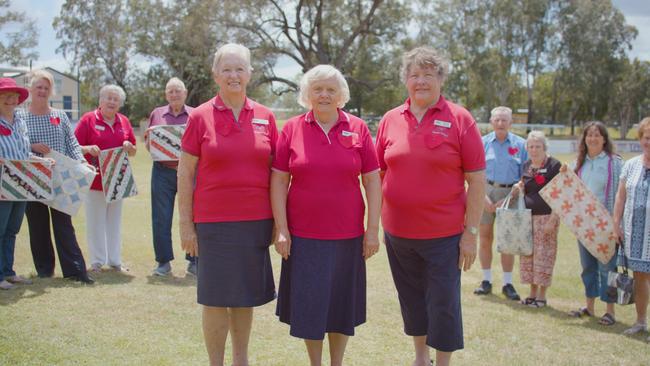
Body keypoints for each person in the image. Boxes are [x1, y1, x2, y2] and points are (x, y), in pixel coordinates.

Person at [375, 47, 485, 366]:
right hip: (397, 235)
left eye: (428, 74)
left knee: (443, 303)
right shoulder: (390, 119)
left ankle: (444, 361)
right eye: (414, 75)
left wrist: (471, 233)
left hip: (444, 236)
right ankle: (420, 357)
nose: (420, 81)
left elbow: (477, 181)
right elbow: (377, 174)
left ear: (441, 79)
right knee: (411, 300)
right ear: (406, 81)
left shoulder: (461, 119)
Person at [271, 64, 382, 366]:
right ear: (307, 94)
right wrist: (282, 229)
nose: (324, 95)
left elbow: (372, 181)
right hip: (304, 236)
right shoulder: (292, 128)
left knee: (340, 307)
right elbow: (279, 181)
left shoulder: (358, 128)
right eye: (317, 89)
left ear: (341, 95)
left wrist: (372, 230)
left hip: (348, 236)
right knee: (311, 307)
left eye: (331, 89)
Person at [178, 43, 277, 366]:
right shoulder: (200, 116)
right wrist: (186, 224)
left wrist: (279, 223)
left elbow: (278, 174)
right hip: (213, 224)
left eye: (239, 69)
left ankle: (241, 360)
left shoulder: (266, 116)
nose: (233, 75)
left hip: (256, 222)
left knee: (244, 297)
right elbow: (186, 170)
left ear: (249, 74)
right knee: (216, 298)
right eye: (227, 69)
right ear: (215, 75)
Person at [17, 69, 94, 284]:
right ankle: (44, 270)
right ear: (30, 89)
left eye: (46, 87)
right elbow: (16, 145)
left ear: (51, 91)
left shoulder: (59, 116)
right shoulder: (20, 116)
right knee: (38, 225)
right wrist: (32, 148)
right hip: (33, 176)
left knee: (64, 224)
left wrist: (81, 161)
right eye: (38, 87)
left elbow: (72, 143)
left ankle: (75, 271)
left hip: (62, 178)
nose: (42, 91)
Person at [74, 84, 137, 273]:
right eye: (108, 98)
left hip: (117, 181)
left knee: (114, 222)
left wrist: (129, 146)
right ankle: (97, 261)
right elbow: (74, 146)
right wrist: (87, 149)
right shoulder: (88, 120)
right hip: (94, 181)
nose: (111, 101)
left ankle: (115, 261)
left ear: (120, 104)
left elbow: (133, 150)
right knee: (95, 222)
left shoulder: (124, 121)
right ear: (100, 100)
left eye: (115, 99)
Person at [566, 121, 621, 325]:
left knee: (607, 267)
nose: (593, 138)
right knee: (587, 267)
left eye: (597, 135)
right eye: (589, 135)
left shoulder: (614, 163)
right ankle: (589, 306)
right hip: (584, 225)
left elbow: (619, 195)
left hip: (605, 224)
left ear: (604, 139)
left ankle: (610, 310)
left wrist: (617, 223)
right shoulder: (578, 164)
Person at [0, 78, 51, 290]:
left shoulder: (20, 121)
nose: (11, 101)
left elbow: (24, 152)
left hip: (21, 183)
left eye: (14, 97)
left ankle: (8, 272)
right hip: (2, 184)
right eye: (6, 97)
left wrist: (41, 160)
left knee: (12, 229)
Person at [144, 77, 196, 277]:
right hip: (162, 172)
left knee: (193, 216)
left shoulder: (195, 115)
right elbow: (149, 145)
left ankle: (193, 261)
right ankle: (163, 262)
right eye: (170, 91)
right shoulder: (157, 114)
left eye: (178, 91)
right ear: (166, 95)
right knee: (161, 218)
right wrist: (149, 142)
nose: (174, 94)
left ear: (185, 93)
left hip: (190, 172)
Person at [475, 106, 527, 300]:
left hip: (511, 194)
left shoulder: (521, 145)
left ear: (511, 123)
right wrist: (484, 197)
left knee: (507, 241)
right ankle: (486, 280)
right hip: (485, 192)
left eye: (504, 120)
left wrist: (509, 197)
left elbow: (526, 175)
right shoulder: (482, 143)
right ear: (491, 122)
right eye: (497, 120)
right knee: (485, 237)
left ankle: (507, 283)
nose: (500, 123)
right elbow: (475, 173)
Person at [512, 131, 561, 308]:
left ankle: (542, 296)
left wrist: (553, 219)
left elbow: (560, 193)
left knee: (544, 256)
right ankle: (532, 293)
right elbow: (525, 184)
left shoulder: (554, 165)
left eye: (537, 146)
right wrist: (519, 186)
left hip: (546, 217)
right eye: (531, 146)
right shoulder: (526, 165)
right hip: (527, 219)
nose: (534, 150)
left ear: (544, 147)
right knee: (529, 256)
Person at [613, 116, 650, 341]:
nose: (649, 142)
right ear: (640, 139)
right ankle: (640, 321)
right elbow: (620, 196)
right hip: (635, 233)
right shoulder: (631, 165)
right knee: (640, 277)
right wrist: (615, 223)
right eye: (647, 138)